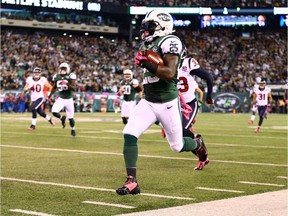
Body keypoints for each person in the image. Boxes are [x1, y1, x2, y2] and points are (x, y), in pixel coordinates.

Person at [116, 9, 208, 196]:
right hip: (148, 100)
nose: (146, 30)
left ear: (162, 26)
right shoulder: (150, 42)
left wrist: (147, 63)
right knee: (129, 133)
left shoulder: (170, 41)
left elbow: (169, 73)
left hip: (167, 102)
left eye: (150, 26)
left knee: (177, 146)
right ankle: (132, 181)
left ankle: (197, 143)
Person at [49, 63, 77, 137]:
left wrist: (67, 84)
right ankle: (62, 118)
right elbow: (54, 87)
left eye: (64, 69)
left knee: (71, 117)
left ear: (67, 69)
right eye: (61, 68)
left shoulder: (71, 76)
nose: (62, 70)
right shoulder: (56, 76)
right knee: (54, 111)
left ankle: (73, 129)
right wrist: (50, 95)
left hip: (69, 99)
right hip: (61, 98)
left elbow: (74, 88)